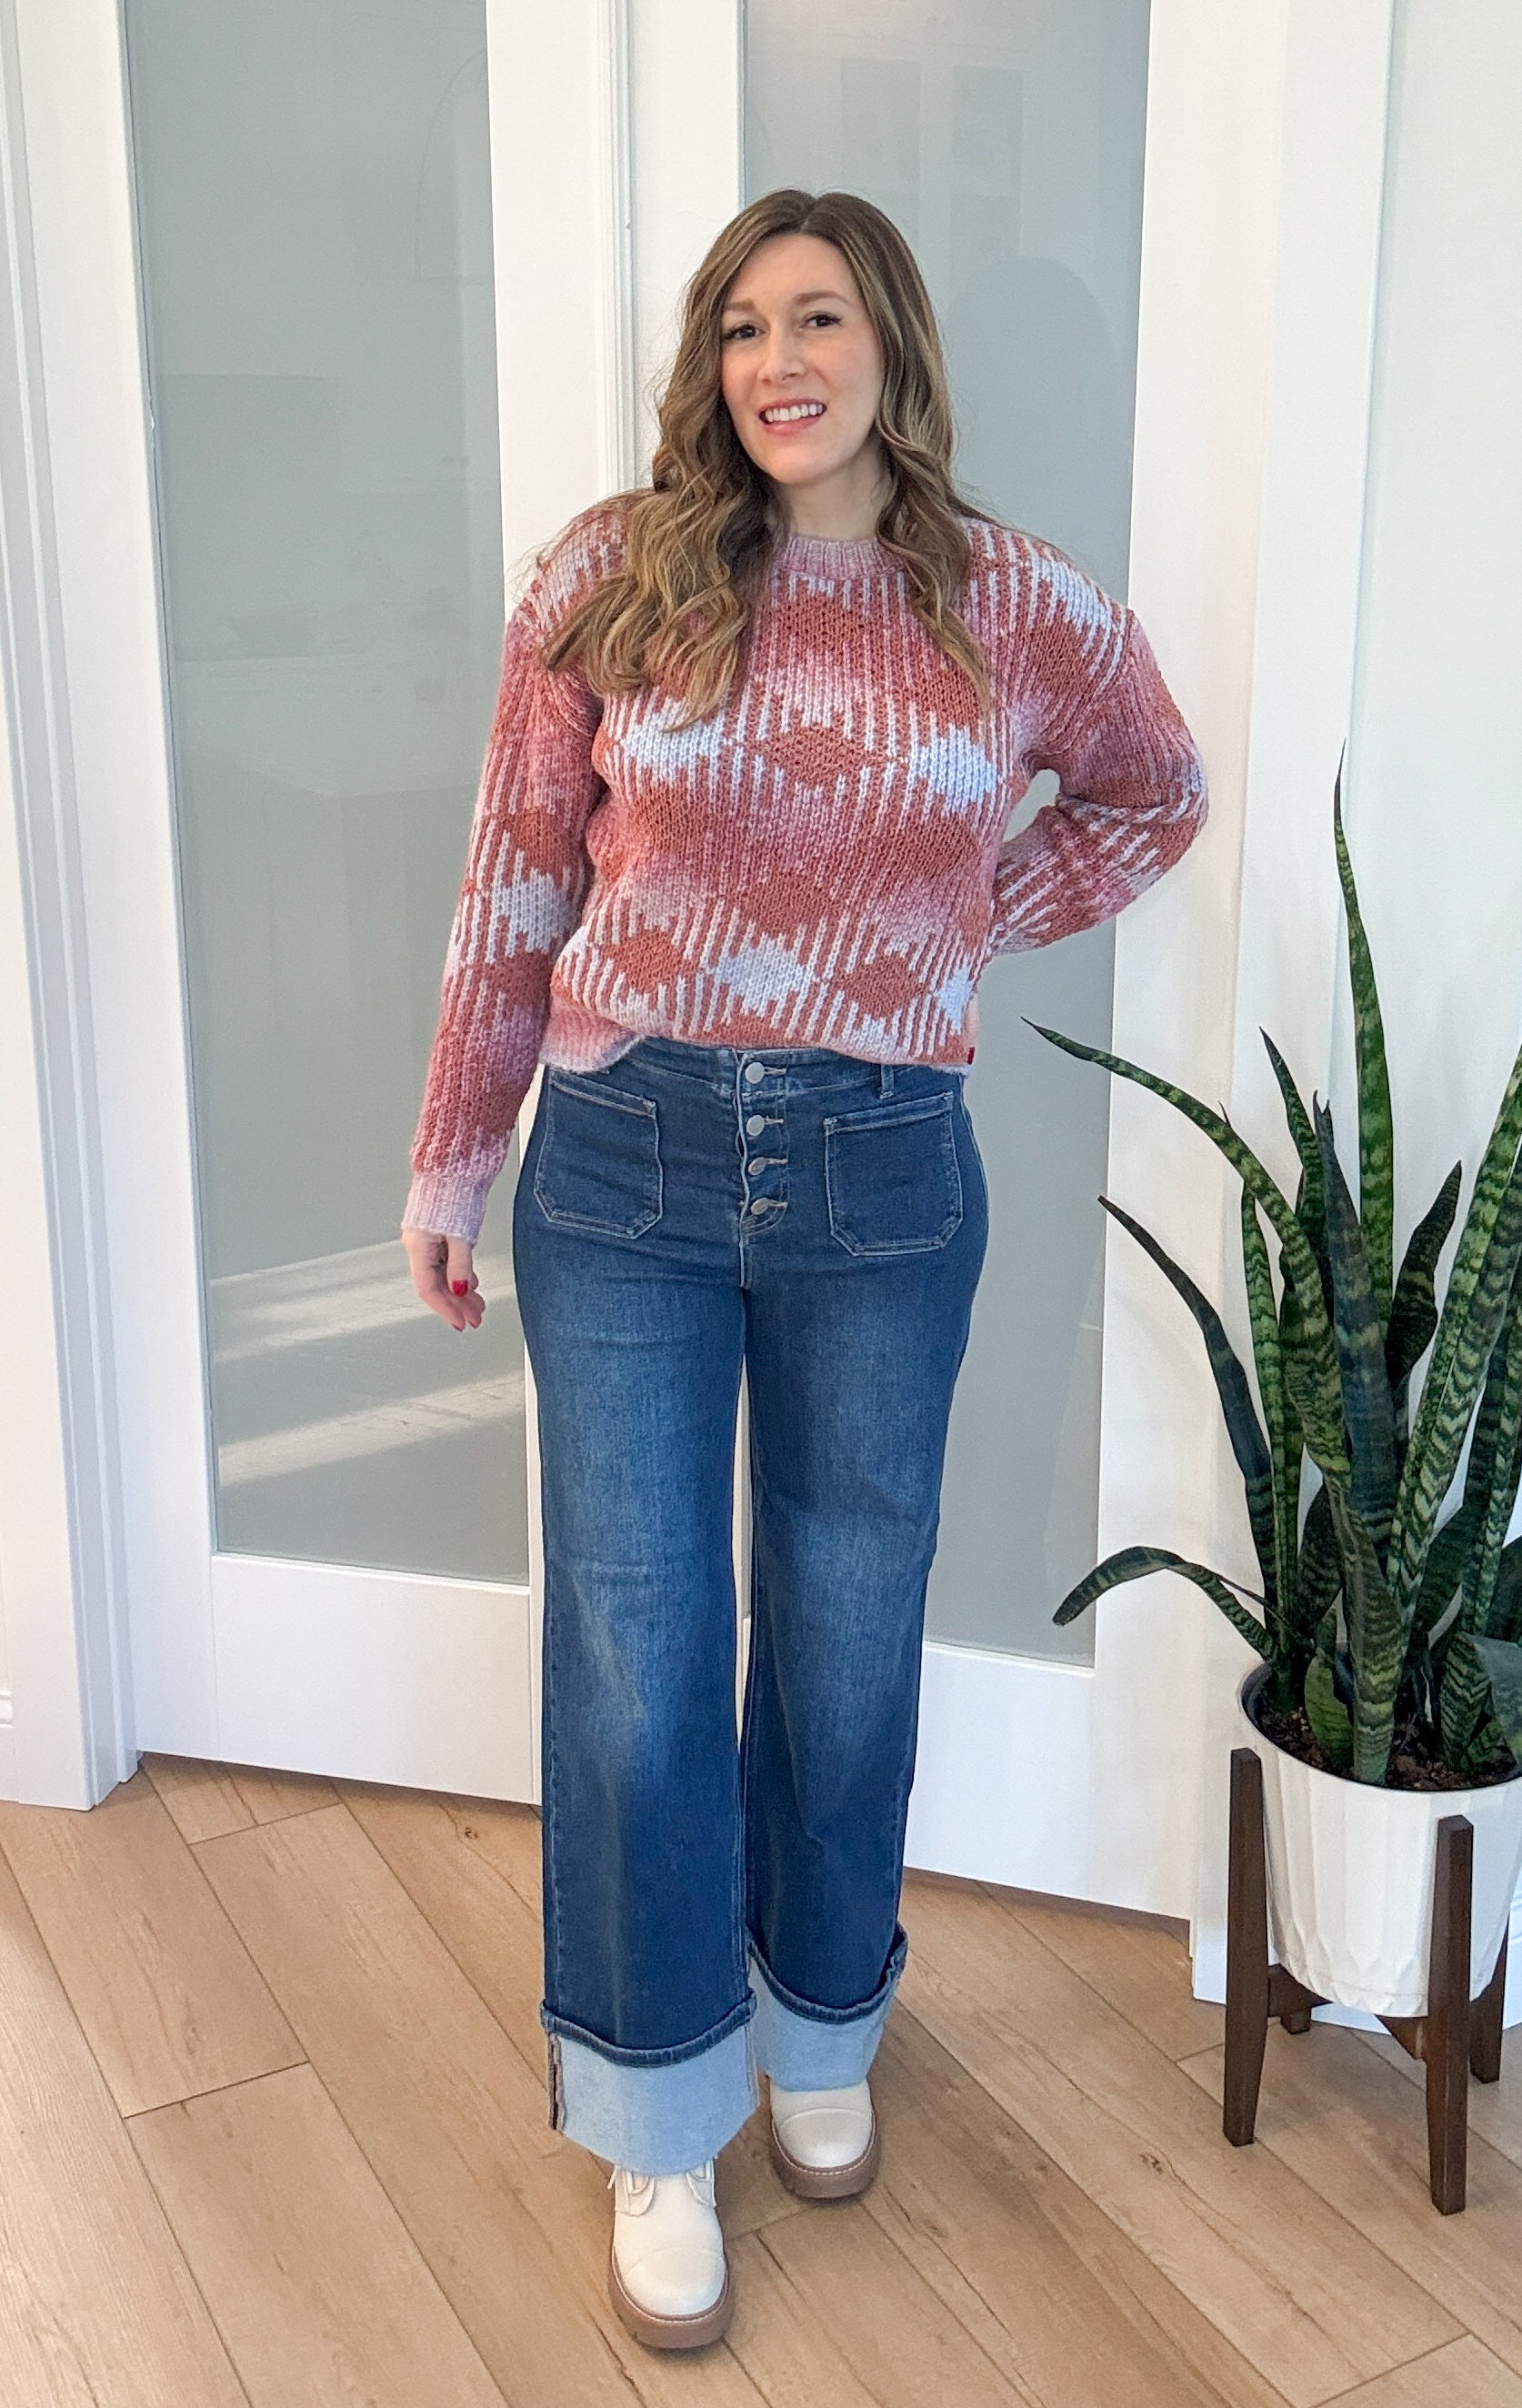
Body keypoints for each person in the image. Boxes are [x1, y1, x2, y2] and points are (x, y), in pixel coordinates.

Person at [401, 186, 1206, 2352]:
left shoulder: (1013, 602)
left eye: (821, 316)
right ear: (713, 364)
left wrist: (946, 922)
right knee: (643, 1650)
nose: (782, 359)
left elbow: (1153, 793)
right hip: (626, 1166)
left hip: (881, 1173)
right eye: (746, 324)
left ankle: (822, 2012)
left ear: (891, 347)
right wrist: (456, 1149)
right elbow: (515, 877)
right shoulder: (611, 574)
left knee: (848, 1630)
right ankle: (661, 2101)